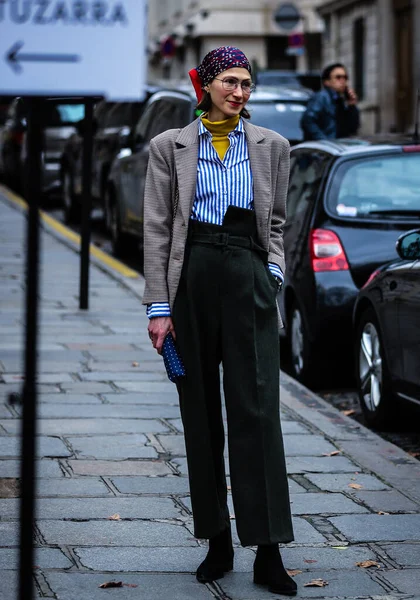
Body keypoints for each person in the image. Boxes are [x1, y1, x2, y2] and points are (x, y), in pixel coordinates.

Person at [142, 46, 296, 597]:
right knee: (200, 411)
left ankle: (269, 549)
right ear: (205, 85)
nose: (239, 92)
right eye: (229, 82)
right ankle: (216, 540)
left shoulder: (273, 146)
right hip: (194, 277)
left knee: (257, 411)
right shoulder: (170, 146)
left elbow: (276, 222)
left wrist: (272, 274)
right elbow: (158, 229)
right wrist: (160, 308)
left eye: (246, 84)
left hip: (248, 273)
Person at [301, 62, 360, 141]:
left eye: (345, 77)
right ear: (327, 82)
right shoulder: (321, 97)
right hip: (325, 149)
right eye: (338, 77)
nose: (342, 80)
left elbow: (353, 128)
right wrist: (323, 141)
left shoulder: (342, 99)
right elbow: (308, 121)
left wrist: (352, 106)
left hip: (340, 146)